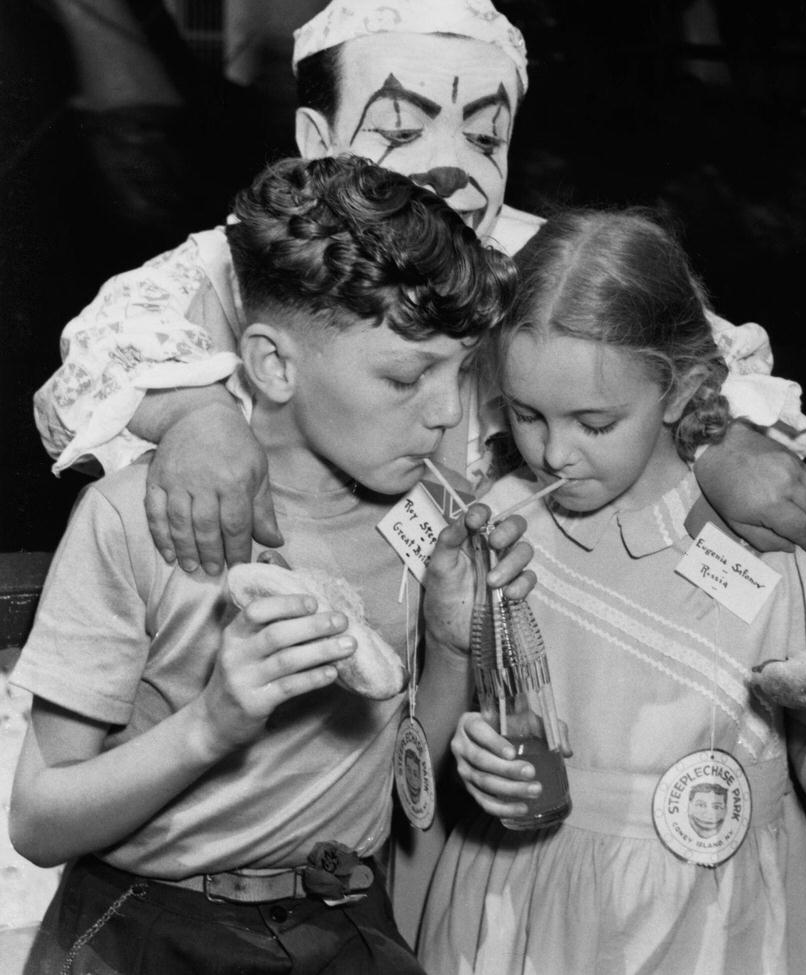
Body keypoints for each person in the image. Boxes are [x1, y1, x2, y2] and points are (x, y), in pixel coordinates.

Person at [31, 0, 806, 582]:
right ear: (318, 139)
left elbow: (694, 350)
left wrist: (728, 440)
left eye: (483, 137)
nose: (449, 167)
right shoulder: (252, 258)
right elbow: (105, 345)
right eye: (402, 129)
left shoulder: (539, 258)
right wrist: (195, 416)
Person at [7, 155, 533, 975]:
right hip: (140, 924)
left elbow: (403, 791)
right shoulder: (133, 519)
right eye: (407, 375)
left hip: (345, 920)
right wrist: (213, 721)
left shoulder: (427, 515)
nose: (446, 412)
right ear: (274, 363)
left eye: (463, 371)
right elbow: (39, 822)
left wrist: (453, 644)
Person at [414, 209, 806, 975]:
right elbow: (461, 728)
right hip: (520, 907)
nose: (553, 451)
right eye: (526, 413)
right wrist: (480, 770)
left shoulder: (776, 541)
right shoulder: (500, 526)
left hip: (711, 926)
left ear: (681, 392)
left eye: (594, 421)